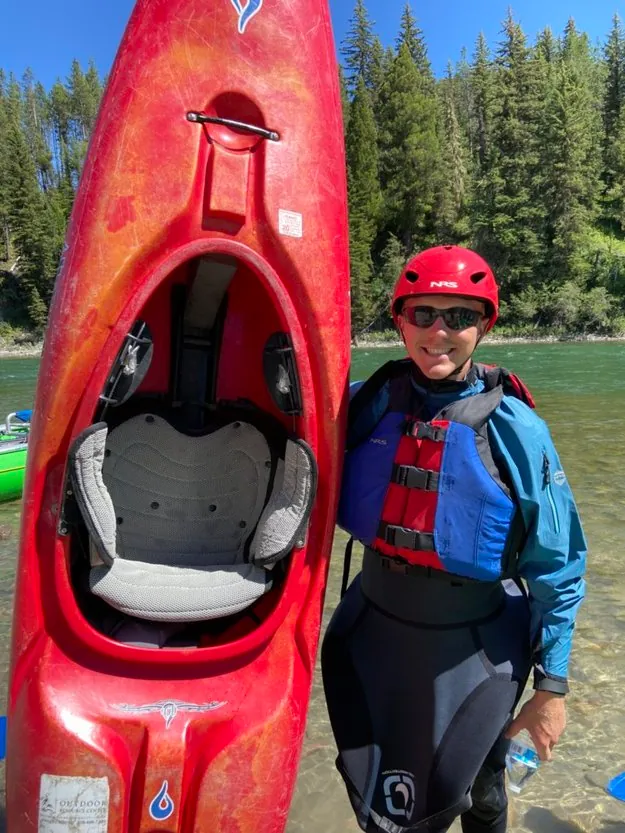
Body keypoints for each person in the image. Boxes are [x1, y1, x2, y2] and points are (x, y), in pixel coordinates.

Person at [322, 245, 586, 833]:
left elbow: (559, 568)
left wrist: (551, 690)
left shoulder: (516, 430)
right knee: (376, 802)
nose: (438, 332)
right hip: (373, 632)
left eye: (460, 317)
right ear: (398, 319)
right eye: (423, 314)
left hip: (474, 648)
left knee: (477, 790)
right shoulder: (365, 403)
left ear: (484, 326)